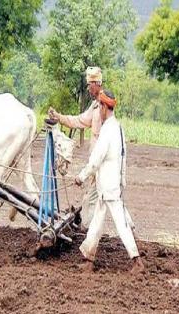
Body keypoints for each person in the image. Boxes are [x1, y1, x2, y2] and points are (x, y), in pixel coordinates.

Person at [48, 67, 134, 231]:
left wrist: (83, 175)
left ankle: (87, 232)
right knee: (110, 200)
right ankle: (125, 229)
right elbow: (79, 121)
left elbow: (105, 146)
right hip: (98, 167)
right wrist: (59, 117)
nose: (88, 88)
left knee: (96, 200)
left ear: (96, 84)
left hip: (103, 165)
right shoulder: (95, 106)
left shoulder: (104, 109)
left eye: (89, 85)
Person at [74, 89, 145, 274]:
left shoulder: (107, 130)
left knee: (121, 225)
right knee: (96, 223)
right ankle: (89, 260)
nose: (98, 110)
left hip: (109, 187)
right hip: (110, 186)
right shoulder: (118, 128)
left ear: (105, 107)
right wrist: (122, 181)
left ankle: (137, 262)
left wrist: (81, 176)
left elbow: (96, 159)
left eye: (99, 107)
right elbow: (124, 156)